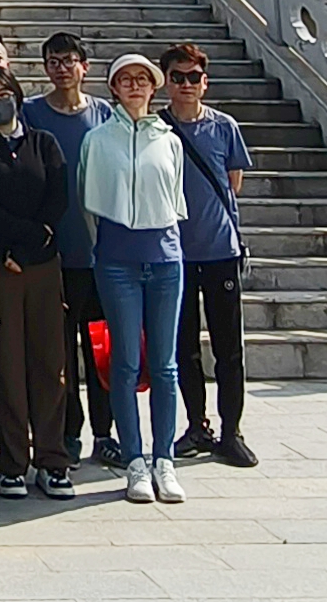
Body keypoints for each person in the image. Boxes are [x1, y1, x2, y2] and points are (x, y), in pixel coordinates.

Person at [0, 66, 72, 500]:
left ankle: (52, 458)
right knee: (5, 364)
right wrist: (14, 244)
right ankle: (12, 460)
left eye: (2, 93)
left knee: (49, 362)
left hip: (42, 264)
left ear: (17, 95)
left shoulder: (44, 143)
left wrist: (30, 243)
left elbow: (58, 197)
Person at [81, 53, 189, 505]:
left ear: (154, 86)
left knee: (165, 365)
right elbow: (88, 200)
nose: (135, 86)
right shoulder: (97, 139)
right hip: (117, 260)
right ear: (113, 87)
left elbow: (176, 197)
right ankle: (134, 461)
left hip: (164, 258)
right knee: (125, 363)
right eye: (125, 79)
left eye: (142, 79)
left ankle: (164, 458)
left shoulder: (169, 139)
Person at [159, 42, 255, 469]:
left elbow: (233, 182)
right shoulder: (156, 127)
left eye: (193, 77)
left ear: (205, 82)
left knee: (228, 346)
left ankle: (231, 430)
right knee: (184, 346)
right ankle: (197, 425)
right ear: (166, 82)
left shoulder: (224, 127)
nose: (185, 85)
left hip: (219, 250)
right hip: (174, 252)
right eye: (177, 77)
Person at [24, 32, 117, 469]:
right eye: (53, 61)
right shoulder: (31, 114)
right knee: (57, 353)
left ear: (85, 66)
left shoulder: (104, 114)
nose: (62, 68)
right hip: (52, 255)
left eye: (69, 60)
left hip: (100, 253)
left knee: (101, 349)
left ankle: (106, 432)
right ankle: (67, 432)